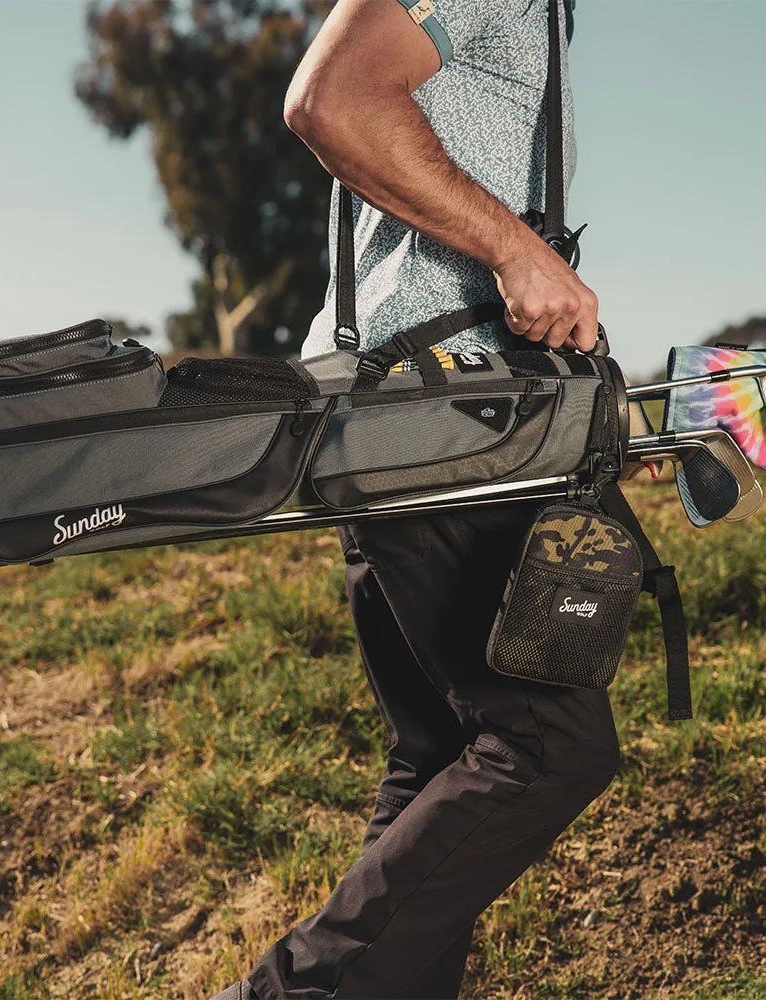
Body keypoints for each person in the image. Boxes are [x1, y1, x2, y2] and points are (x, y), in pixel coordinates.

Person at [212, 1, 621, 997]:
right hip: (440, 413)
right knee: (547, 747)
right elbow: (330, 99)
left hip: (434, 411)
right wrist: (518, 252)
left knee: (440, 752)